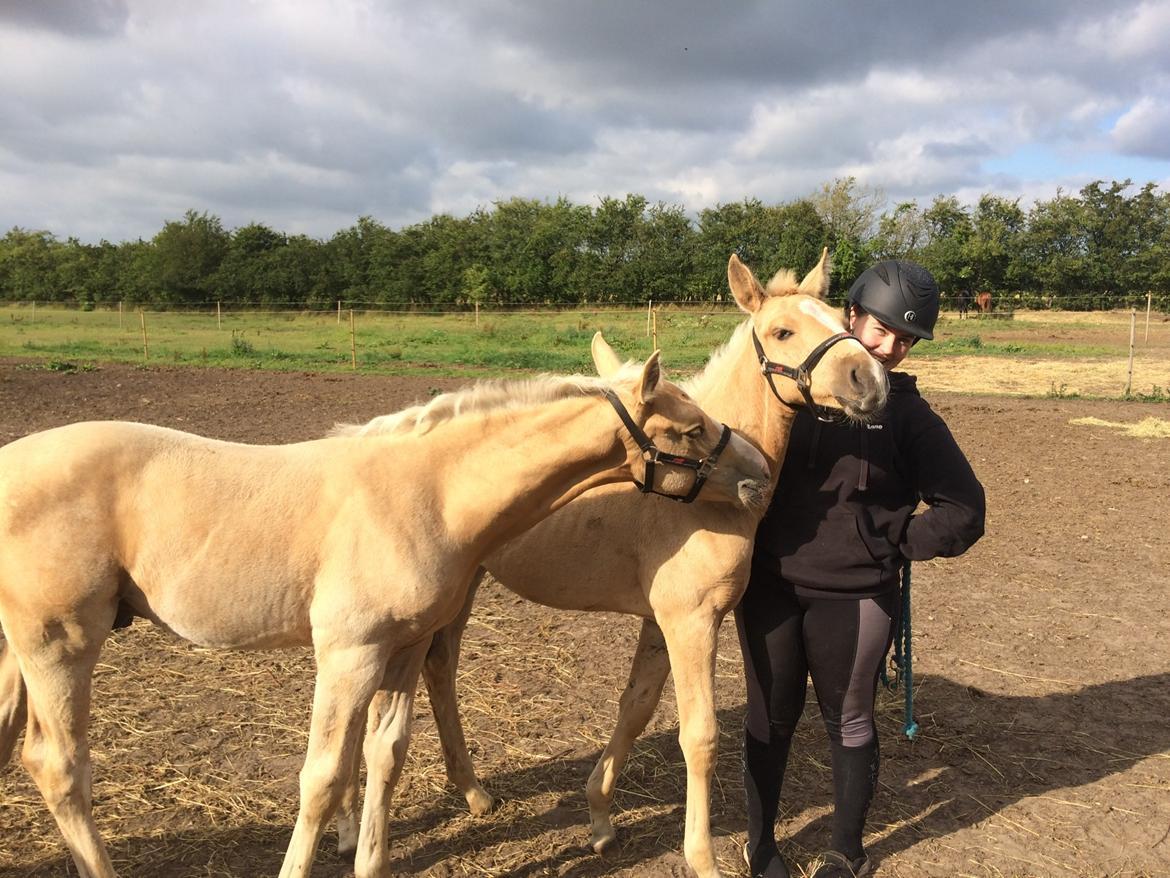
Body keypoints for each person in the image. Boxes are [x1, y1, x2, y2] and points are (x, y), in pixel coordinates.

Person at [736, 260, 986, 878]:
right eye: (881, 329)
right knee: (769, 714)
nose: (889, 347)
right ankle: (760, 843)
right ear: (850, 318)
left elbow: (965, 511)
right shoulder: (791, 396)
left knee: (848, 718)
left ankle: (846, 852)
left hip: (855, 595)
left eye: (905, 339)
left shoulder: (907, 416)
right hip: (770, 585)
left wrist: (892, 539)